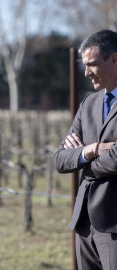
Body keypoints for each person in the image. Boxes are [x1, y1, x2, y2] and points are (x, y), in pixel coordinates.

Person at [54, 29, 117, 270]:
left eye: (92, 64)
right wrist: (91, 150)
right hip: (84, 222)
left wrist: (81, 161)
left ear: (114, 59)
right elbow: (60, 159)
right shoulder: (88, 103)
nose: (86, 72)